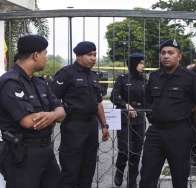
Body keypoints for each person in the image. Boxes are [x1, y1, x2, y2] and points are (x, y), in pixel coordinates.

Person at [139, 39, 196, 188]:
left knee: (180, 178)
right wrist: (153, 116)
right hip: (155, 133)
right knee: (146, 178)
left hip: (179, 133)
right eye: (163, 53)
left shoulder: (191, 78)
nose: (166, 56)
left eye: (170, 52)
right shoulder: (154, 77)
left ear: (179, 56)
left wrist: (188, 124)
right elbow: (148, 101)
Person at [0, 34, 66, 188]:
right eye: (45, 54)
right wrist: (55, 114)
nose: (47, 58)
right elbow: (29, 121)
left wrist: (52, 114)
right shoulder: (10, 82)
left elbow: (62, 111)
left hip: (46, 151)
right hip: (22, 155)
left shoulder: (40, 82)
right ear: (36, 55)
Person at [51, 41, 110, 188]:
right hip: (73, 126)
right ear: (78, 56)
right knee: (71, 171)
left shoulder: (94, 76)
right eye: (89, 55)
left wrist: (104, 125)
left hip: (91, 126)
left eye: (95, 54)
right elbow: (52, 98)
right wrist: (59, 114)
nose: (93, 58)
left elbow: (98, 103)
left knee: (88, 169)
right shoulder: (66, 73)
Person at [110, 53, 146, 187]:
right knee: (125, 150)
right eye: (140, 63)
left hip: (140, 119)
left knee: (136, 151)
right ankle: (119, 171)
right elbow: (114, 96)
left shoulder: (144, 80)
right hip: (124, 119)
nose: (143, 66)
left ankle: (132, 181)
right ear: (133, 64)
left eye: (143, 63)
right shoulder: (123, 79)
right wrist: (126, 105)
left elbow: (148, 100)